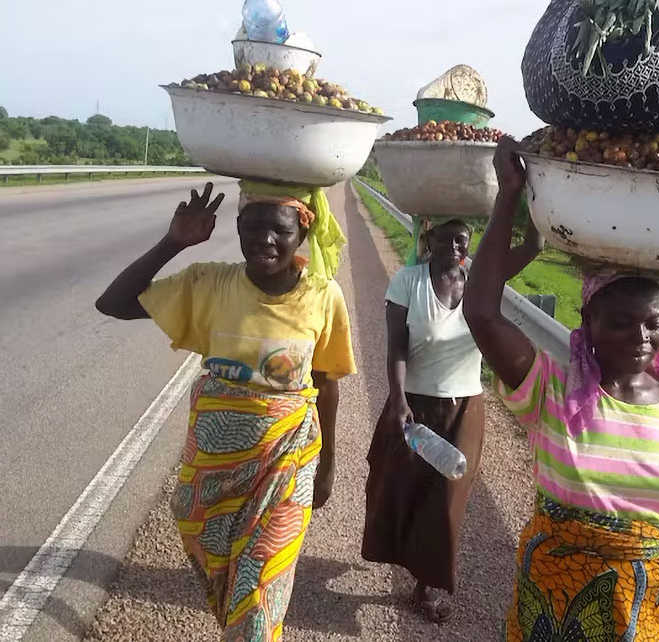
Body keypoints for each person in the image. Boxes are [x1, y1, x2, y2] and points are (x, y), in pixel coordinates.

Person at [464, 139, 659, 642]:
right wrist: (509, 197)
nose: (639, 336)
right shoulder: (552, 389)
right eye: (620, 322)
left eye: (652, 323)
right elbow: (480, 313)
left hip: (646, 618)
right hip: (553, 608)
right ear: (587, 321)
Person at [95, 181, 355, 642]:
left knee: (258, 595)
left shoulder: (323, 296)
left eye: (279, 230)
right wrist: (174, 241)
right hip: (213, 470)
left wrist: (329, 466)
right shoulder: (209, 283)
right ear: (236, 229)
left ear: (302, 234)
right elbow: (112, 304)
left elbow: (327, 384)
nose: (265, 241)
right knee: (222, 574)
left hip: (287, 465)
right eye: (252, 229)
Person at [361, 214, 543, 622]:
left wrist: (528, 200)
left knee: (446, 501)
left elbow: (533, 248)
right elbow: (397, 346)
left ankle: (425, 585)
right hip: (415, 406)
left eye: (462, 241)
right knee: (398, 487)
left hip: (465, 409)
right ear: (429, 240)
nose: (455, 248)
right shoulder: (408, 281)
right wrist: (397, 398)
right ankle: (405, 559)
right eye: (446, 240)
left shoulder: (479, 280)